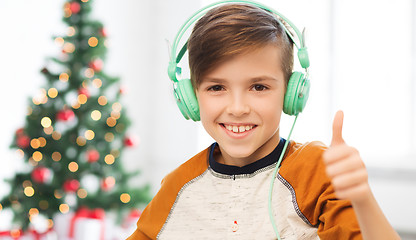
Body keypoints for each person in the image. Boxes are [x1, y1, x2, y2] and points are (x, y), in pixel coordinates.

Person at [127, 2, 400, 239]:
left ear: (292, 92)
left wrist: (362, 198)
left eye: (258, 87)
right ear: (191, 97)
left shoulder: (316, 173)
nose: (237, 108)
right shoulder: (177, 186)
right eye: (216, 88)